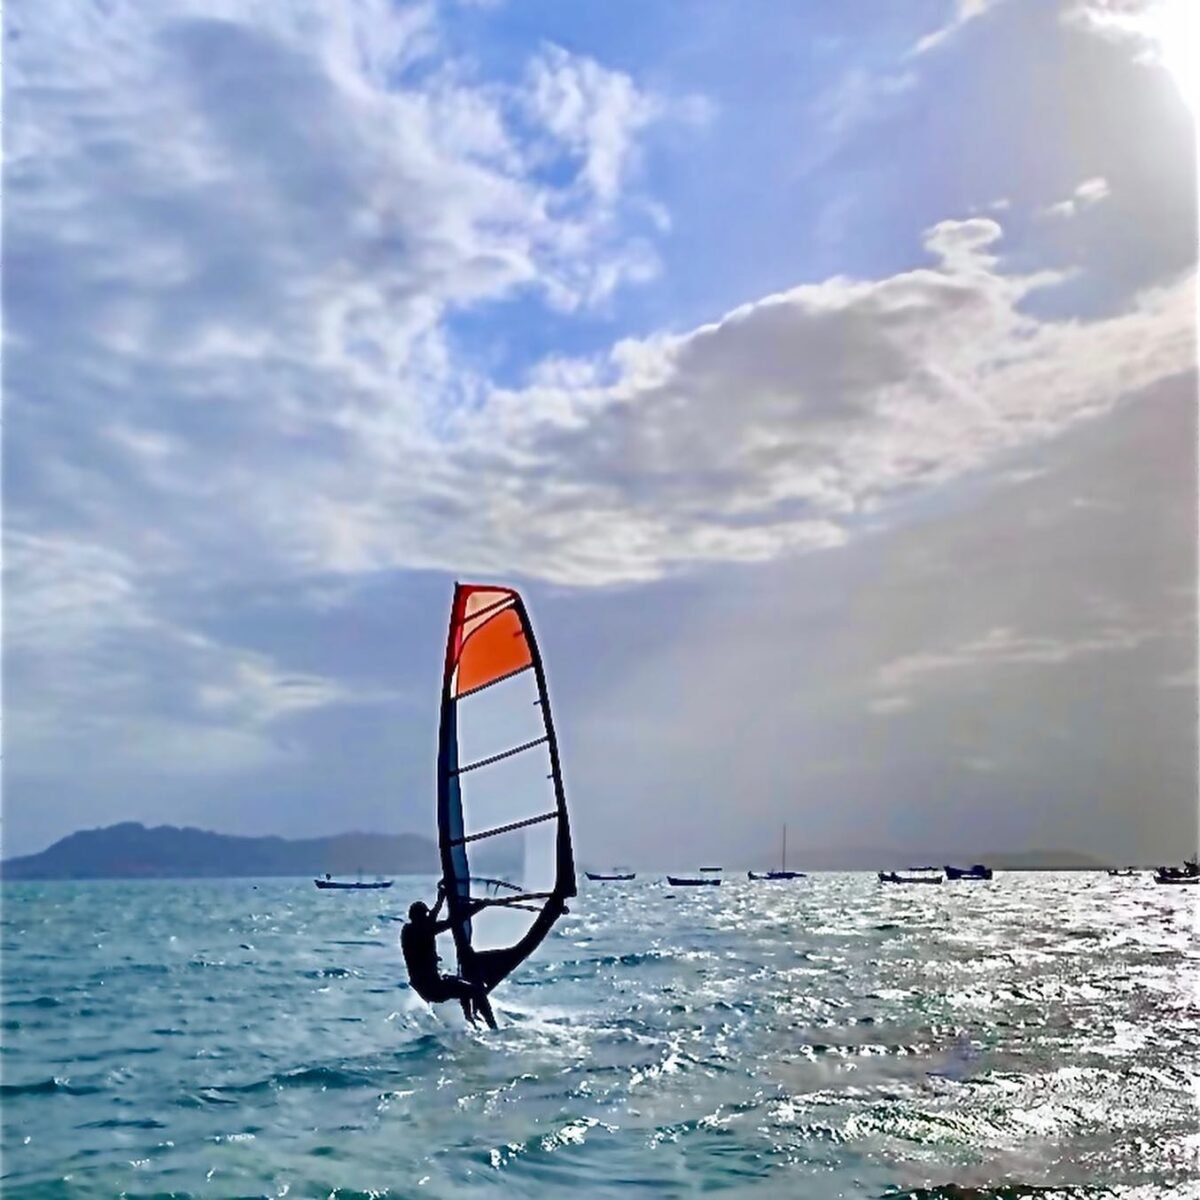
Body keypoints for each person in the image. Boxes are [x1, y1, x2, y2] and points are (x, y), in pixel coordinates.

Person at [401, 883, 496, 1028]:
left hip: (425, 986)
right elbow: (452, 922)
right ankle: (489, 1026)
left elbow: (431, 918)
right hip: (433, 988)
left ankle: (470, 1018)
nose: (427, 917)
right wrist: (478, 907)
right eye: (424, 915)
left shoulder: (409, 930)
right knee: (475, 990)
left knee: (462, 984)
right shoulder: (422, 931)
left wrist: (441, 897)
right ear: (419, 917)